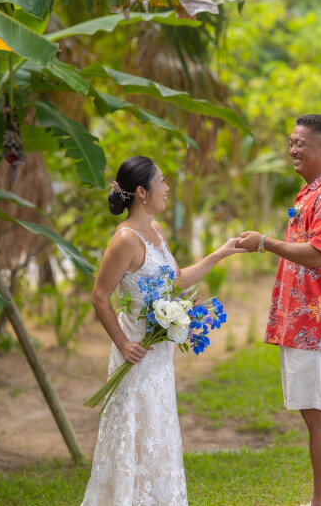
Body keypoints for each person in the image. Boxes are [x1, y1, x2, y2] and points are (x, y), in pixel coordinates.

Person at [81, 156, 244, 506]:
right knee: (133, 436)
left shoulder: (156, 231)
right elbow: (99, 296)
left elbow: (177, 280)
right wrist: (124, 344)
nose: (168, 187)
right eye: (162, 180)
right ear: (142, 192)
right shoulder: (124, 240)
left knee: (158, 433)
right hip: (137, 357)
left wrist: (221, 253)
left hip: (160, 358)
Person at [236, 114, 321, 506]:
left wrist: (264, 243)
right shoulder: (311, 193)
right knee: (314, 410)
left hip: (319, 321)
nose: (293, 149)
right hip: (304, 320)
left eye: (301, 143)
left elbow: (320, 256)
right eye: (291, 142)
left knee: (318, 413)